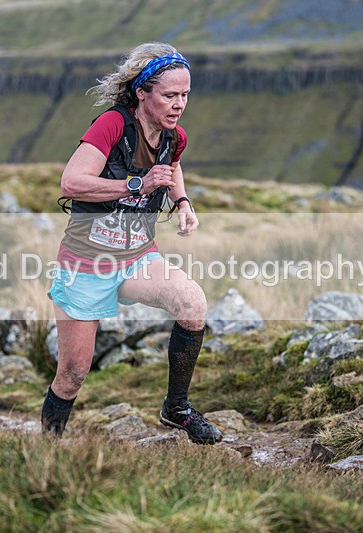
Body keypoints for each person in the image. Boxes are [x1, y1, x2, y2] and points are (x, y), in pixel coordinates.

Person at [42, 42, 222, 445]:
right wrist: (135, 184)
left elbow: (171, 166)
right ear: (142, 92)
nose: (179, 104)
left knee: (191, 303)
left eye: (186, 95)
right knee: (72, 374)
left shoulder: (174, 136)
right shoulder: (111, 125)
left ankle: (176, 410)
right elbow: (71, 183)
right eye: (170, 95)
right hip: (87, 262)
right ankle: (46, 450)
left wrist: (182, 202)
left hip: (138, 256)